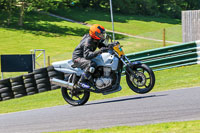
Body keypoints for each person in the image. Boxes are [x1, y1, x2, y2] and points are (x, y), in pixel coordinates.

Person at [72, 24, 108, 89]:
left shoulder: (96, 39)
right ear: (95, 34)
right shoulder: (88, 41)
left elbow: (103, 46)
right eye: (100, 34)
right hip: (78, 58)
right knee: (92, 64)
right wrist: (99, 51)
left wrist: (112, 46)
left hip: (83, 56)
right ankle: (81, 82)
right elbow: (87, 55)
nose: (102, 35)